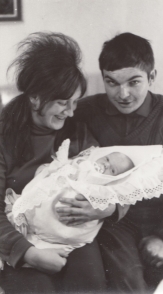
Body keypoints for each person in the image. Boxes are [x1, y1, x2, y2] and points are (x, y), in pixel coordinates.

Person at [65, 32, 163, 293]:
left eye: (134, 82)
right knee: (129, 285)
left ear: (152, 77)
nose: (123, 94)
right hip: (115, 223)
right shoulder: (85, 112)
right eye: (112, 82)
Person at [0, 31, 113, 294]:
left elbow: (114, 178)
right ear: (35, 97)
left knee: (91, 285)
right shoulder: (4, 135)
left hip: (70, 233)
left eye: (74, 102)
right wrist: (27, 253)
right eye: (63, 103)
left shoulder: (76, 130)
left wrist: (108, 208)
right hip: (20, 237)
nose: (71, 112)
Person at [4, 140, 163, 265]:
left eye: (113, 170)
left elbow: (118, 194)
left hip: (88, 219)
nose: (106, 165)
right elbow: (68, 166)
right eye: (107, 159)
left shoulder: (106, 185)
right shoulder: (85, 159)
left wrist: (108, 206)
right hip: (56, 202)